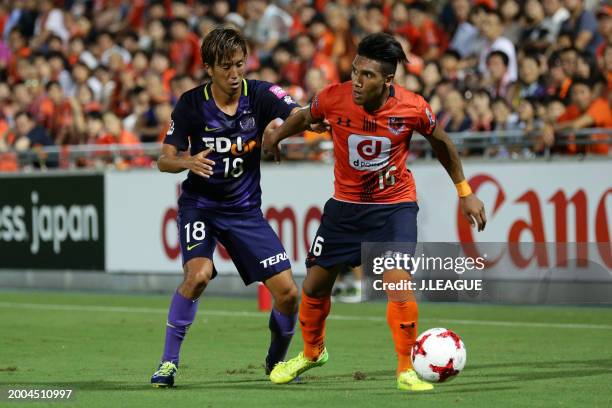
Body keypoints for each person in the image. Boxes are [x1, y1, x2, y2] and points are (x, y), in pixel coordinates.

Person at [263, 33, 486, 392]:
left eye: (366, 75)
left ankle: (405, 370)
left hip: (393, 207)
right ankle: (312, 352)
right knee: (315, 285)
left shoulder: (412, 107)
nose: (356, 80)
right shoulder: (334, 97)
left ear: (387, 80)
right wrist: (276, 137)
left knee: (397, 283)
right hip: (344, 209)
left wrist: (465, 192)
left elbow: (441, 141)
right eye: (354, 71)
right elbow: (305, 116)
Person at [150, 27, 303, 387]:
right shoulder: (191, 103)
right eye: (225, 67)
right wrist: (187, 163)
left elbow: (301, 113)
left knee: (289, 293)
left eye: (239, 65)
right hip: (201, 207)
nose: (235, 75)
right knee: (198, 275)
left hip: (245, 211)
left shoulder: (261, 94)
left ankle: (275, 363)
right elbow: (163, 160)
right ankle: (168, 363)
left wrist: (277, 133)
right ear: (208, 68)